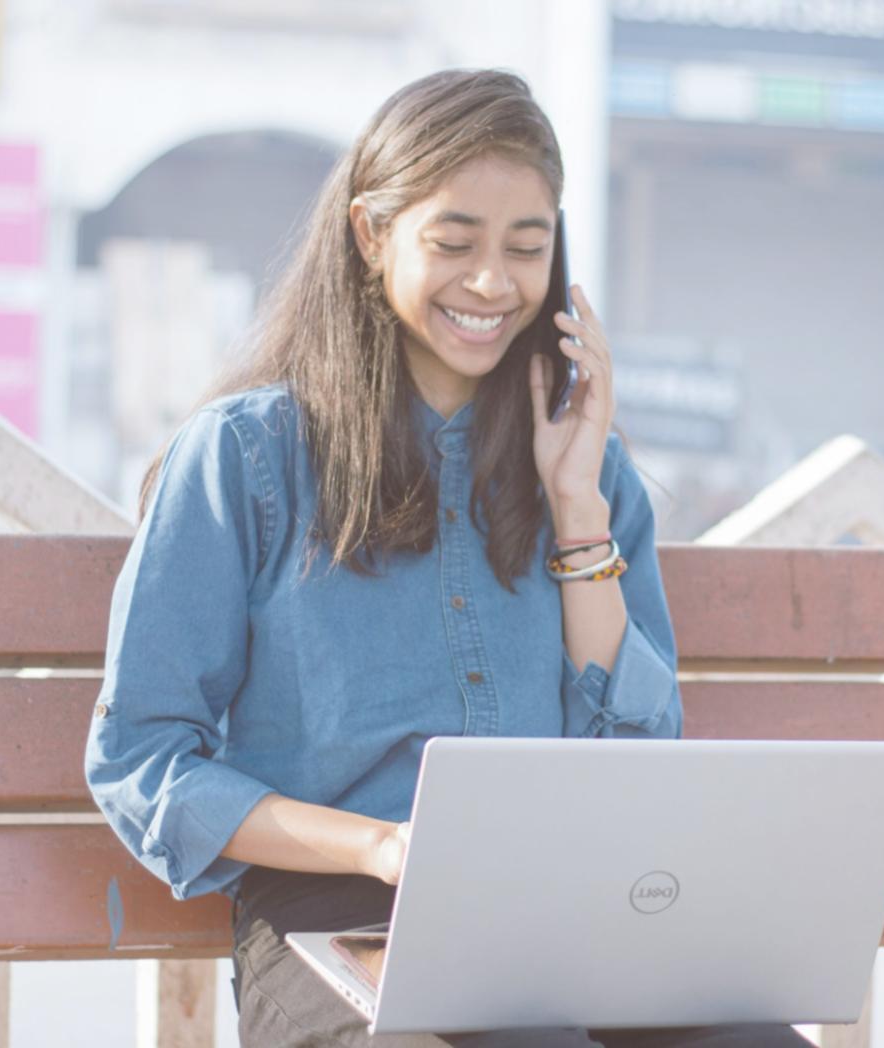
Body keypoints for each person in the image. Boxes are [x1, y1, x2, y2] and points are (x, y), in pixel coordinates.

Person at [83, 69, 810, 1047]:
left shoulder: (588, 471)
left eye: (526, 246)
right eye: (453, 241)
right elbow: (143, 757)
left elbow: (636, 760)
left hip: (560, 914)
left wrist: (575, 508)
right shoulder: (247, 457)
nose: (492, 282)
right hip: (330, 921)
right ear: (371, 234)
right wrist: (386, 847)